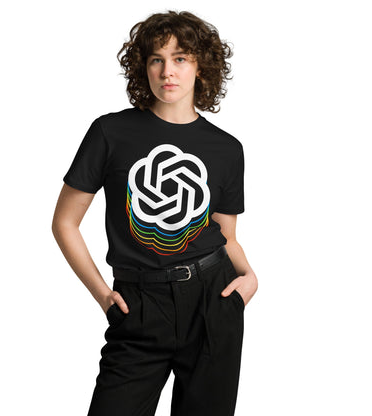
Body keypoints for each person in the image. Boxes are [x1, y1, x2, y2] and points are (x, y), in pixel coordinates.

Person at [52, 10, 258, 416]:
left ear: (201, 67)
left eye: (180, 58)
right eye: (156, 59)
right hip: (138, 303)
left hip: (213, 300)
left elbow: (226, 236)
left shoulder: (227, 149)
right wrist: (103, 296)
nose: (168, 71)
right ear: (142, 67)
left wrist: (249, 277)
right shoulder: (109, 132)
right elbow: (64, 222)